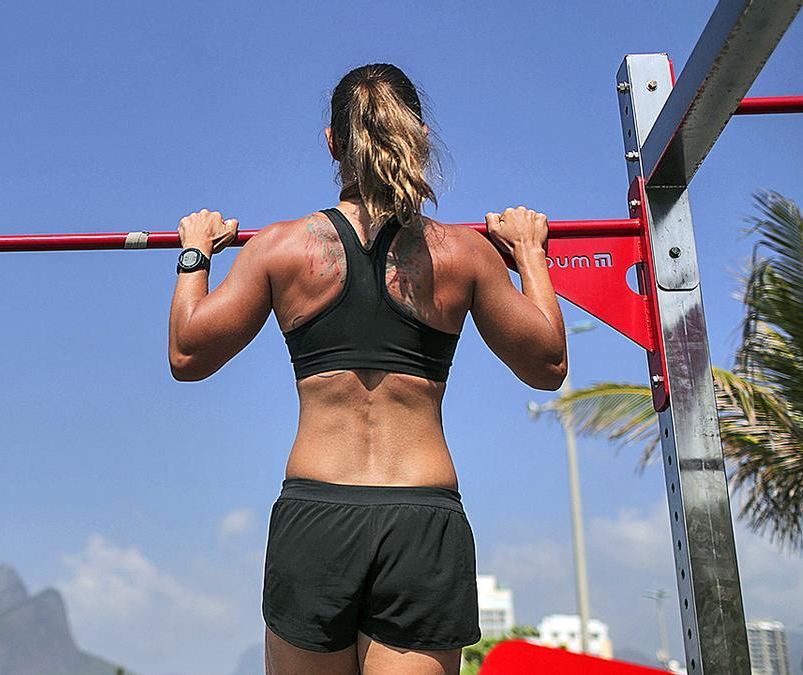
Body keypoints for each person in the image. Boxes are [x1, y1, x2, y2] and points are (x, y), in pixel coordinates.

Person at [167, 63, 566, 675]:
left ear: (331, 142)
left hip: (317, 516)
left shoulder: (278, 248)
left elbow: (187, 354)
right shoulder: (464, 254)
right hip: (421, 519)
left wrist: (195, 250)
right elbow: (548, 363)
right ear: (418, 136)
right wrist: (531, 254)